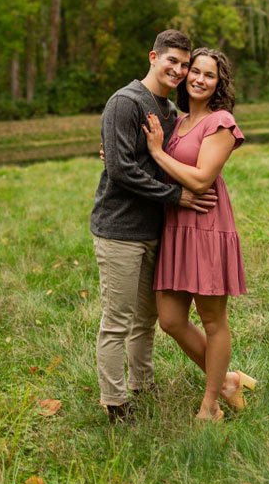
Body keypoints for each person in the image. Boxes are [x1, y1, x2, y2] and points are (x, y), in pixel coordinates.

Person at [91, 30, 218, 424]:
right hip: (119, 229)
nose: (180, 71)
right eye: (173, 62)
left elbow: (173, 158)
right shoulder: (125, 102)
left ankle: (142, 385)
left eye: (185, 65)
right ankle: (114, 403)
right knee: (117, 320)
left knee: (146, 319)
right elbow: (122, 169)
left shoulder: (170, 113)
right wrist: (176, 197)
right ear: (153, 57)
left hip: (156, 232)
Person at [142, 47, 255, 422]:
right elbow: (162, 168)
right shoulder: (179, 120)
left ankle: (211, 404)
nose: (199, 79)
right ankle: (228, 381)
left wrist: (157, 153)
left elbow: (202, 178)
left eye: (210, 75)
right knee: (171, 319)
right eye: (195, 71)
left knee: (212, 320)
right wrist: (120, 155)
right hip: (176, 225)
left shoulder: (220, 122)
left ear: (219, 84)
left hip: (206, 226)